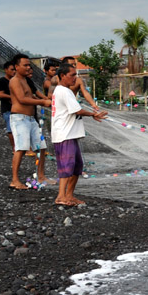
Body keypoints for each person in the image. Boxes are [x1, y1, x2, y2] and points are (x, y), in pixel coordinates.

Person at [51, 62, 108, 205]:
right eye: (72, 75)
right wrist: (93, 114)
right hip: (64, 134)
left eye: (75, 75)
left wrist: (92, 113)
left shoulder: (65, 90)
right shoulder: (63, 91)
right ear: (62, 76)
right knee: (66, 166)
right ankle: (60, 196)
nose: (75, 78)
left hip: (71, 134)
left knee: (77, 166)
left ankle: (69, 195)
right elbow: (77, 110)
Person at [8, 55, 51, 189]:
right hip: (19, 118)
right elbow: (22, 99)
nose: (28, 68)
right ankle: (14, 180)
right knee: (21, 148)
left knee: (42, 147)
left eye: (29, 65)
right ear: (17, 67)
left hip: (31, 119)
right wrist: (42, 102)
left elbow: (31, 96)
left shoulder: (26, 81)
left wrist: (46, 100)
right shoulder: (15, 81)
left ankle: (41, 176)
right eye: (25, 65)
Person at [0, 61, 16, 148]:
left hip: (17, 108)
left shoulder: (16, 81)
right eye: (12, 69)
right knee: (10, 129)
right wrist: (13, 97)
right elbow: (0, 94)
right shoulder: (1, 81)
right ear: (6, 70)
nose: (14, 71)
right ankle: (14, 148)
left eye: (15, 69)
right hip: (7, 109)